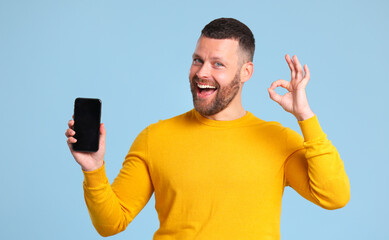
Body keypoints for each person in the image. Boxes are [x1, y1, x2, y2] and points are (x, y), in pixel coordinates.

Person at [65, 18, 350, 239]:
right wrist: (93, 169)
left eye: (218, 64)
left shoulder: (278, 140)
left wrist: (305, 116)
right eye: (197, 60)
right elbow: (110, 223)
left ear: (245, 72)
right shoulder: (155, 138)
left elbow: (334, 196)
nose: (202, 72)